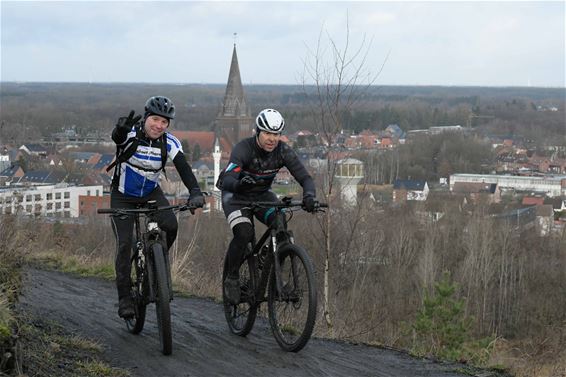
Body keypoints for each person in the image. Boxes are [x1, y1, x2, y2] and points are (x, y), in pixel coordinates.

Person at [109, 95, 205, 318]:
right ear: (145, 117)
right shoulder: (130, 133)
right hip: (123, 195)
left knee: (171, 225)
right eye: (155, 120)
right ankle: (124, 298)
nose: (159, 126)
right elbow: (117, 138)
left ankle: (156, 265)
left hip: (151, 193)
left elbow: (184, 168)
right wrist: (119, 131)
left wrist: (195, 192)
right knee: (124, 245)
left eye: (164, 122)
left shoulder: (169, 142)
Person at [218, 108, 317, 304]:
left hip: (262, 195)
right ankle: (232, 275)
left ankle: (269, 260)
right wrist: (239, 183)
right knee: (244, 233)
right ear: (257, 131)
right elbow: (228, 179)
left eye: (276, 134)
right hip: (236, 195)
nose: (272, 139)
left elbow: (305, 177)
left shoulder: (283, 151)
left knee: (280, 223)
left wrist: (309, 196)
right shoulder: (243, 149)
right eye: (267, 133)